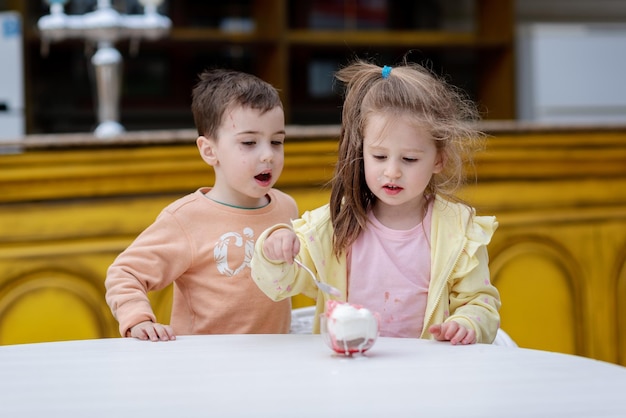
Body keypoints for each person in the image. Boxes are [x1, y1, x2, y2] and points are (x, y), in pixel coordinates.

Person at [251, 58, 501, 345]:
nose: (392, 171)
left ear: (439, 159)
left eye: (409, 159)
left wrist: (466, 323)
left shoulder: (458, 230)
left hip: (427, 376)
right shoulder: (335, 224)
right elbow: (279, 284)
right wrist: (274, 248)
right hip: (350, 372)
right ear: (362, 151)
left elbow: (480, 302)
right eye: (379, 157)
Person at [105, 68, 299, 341]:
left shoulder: (286, 208)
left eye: (276, 141)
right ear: (209, 150)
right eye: (249, 142)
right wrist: (138, 321)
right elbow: (124, 273)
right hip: (204, 368)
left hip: (272, 366)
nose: (268, 155)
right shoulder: (186, 219)